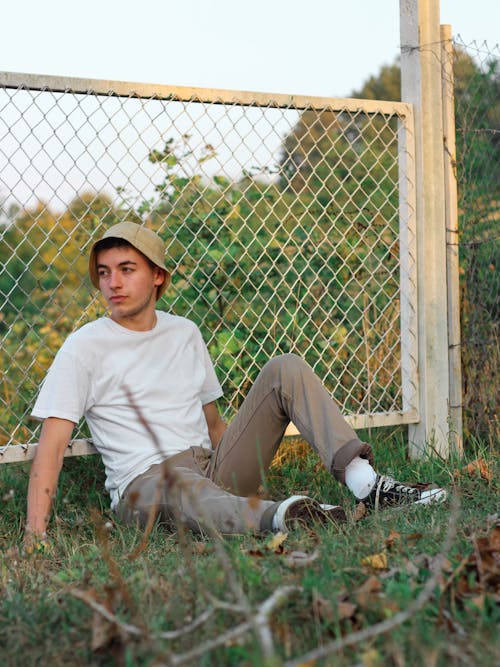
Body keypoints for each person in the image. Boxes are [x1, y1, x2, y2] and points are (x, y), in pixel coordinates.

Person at [25, 222, 446, 543]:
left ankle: (366, 485)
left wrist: (239, 464)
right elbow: (52, 446)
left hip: (208, 466)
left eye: (126, 269)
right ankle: (283, 516)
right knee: (180, 486)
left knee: (285, 367)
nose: (112, 283)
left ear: (157, 276)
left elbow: (214, 426)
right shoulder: (85, 347)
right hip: (146, 485)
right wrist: (35, 534)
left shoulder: (184, 332)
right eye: (103, 272)